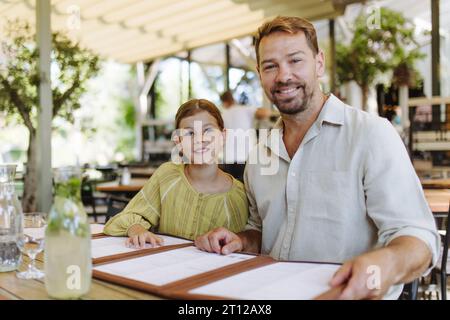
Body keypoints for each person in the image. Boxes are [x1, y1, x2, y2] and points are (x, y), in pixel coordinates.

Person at [195, 16, 440, 300]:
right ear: (261, 75)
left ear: (319, 63)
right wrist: (241, 240)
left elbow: (419, 239)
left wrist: (382, 266)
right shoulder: (260, 153)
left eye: (295, 60)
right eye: (270, 66)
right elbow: (260, 231)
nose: (283, 76)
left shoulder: (370, 134)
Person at [104, 99, 249, 247]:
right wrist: (137, 229)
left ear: (223, 136)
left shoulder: (240, 196)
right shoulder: (167, 176)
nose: (199, 139)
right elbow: (124, 217)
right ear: (178, 142)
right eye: (190, 133)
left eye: (208, 130)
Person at [220, 90, 271, 181]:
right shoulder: (245, 109)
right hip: (247, 156)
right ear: (233, 99)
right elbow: (266, 113)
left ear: (224, 102)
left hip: (229, 158)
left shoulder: (223, 115)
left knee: (233, 187)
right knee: (248, 187)